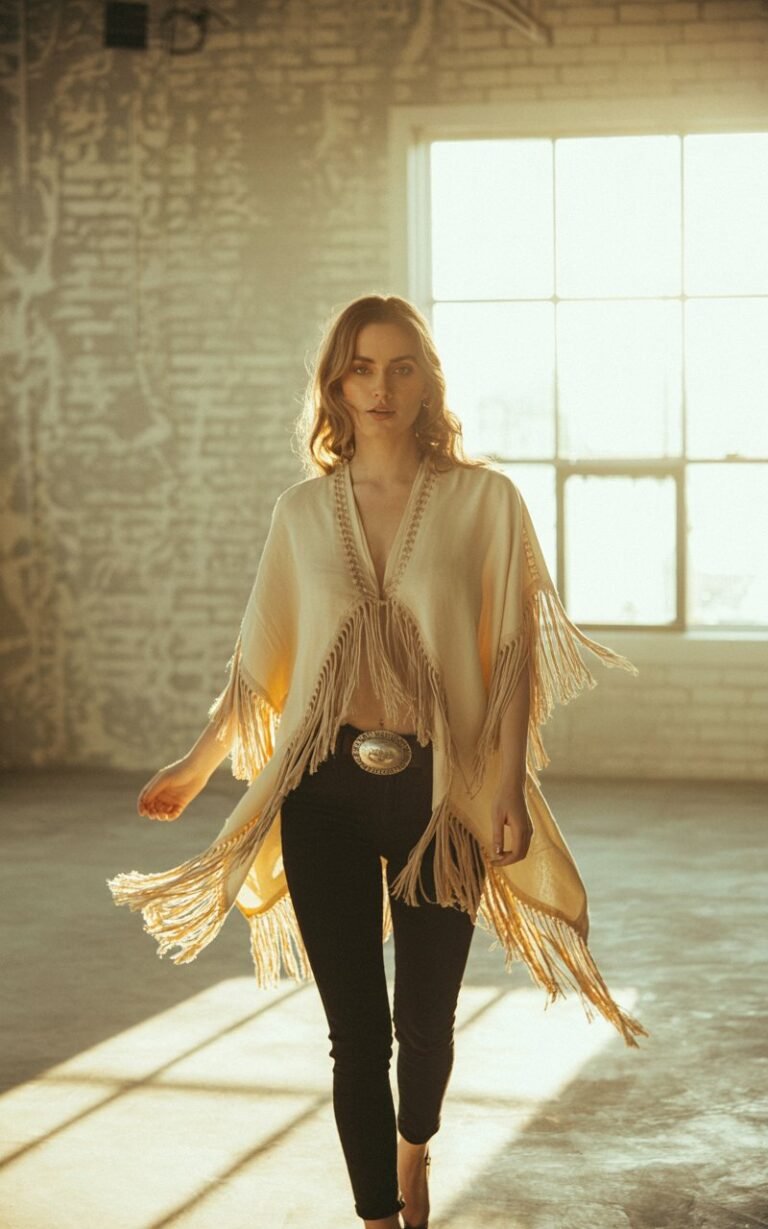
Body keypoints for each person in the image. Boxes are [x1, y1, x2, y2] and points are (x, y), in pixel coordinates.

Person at [109, 294, 648, 1229]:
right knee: (355, 1035)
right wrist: (196, 766)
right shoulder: (300, 513)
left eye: (401, 366)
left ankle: (412, 1150)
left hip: (444, 797)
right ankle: (377, 1216)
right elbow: (262, 657)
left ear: (426, 381)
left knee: (425, 1022)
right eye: (361, 367)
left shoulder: (485, 502)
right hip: (323, 794)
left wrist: (508, 784)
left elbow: (512, 657)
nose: (381, 386)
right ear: (336, 384)